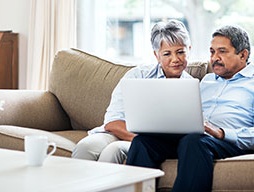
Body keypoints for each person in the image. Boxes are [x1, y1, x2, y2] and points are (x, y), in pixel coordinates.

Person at [125, 25, 254, 192]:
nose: (214, 58)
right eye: (212, 52)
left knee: (193, 141)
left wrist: (222, 132)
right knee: (143, 142)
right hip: (195, 138)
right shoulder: (207, 80)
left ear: (243, 55)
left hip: (228, 142)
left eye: (222, 51)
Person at [71, 19, 194, 163]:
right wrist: (142, 140)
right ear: (157, 55)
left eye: (180, 52)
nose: (175, 59)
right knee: (85, 148)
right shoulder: (137, 75)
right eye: (167, 54)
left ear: (189, 50)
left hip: (148, 143)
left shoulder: (192, 87)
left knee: (113, 151)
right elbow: (112, 122)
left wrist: (148, 143)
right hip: (119, 134)